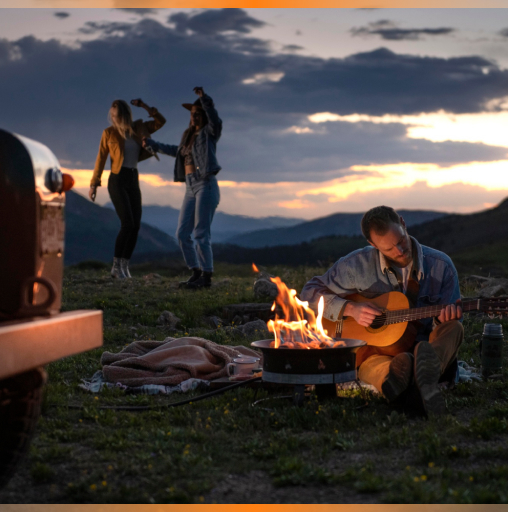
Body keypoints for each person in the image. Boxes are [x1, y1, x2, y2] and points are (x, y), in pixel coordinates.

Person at [300, 206, 463, 417]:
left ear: (403, 224)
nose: (399, 251)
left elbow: (446, 323)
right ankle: (406, 379)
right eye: (388, 249)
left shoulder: (442, 267)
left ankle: (421, 372)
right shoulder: (355, 266)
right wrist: (349, 308)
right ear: (373, 245)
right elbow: (308, 293)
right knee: (373, 366)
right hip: (375, 353)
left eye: (401, 241)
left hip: (426, 345)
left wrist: (442, 322)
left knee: (454, 327)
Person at [142, 87, 222, 289]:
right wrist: (154, 144)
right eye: (192, 114)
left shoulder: (209, 133)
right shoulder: (188, 135)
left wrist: (205, 99)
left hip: (206, 183)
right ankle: (196, 271)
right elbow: (176, 152)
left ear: (203, 114)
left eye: (197, 114)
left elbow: (216, 120)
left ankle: (207, 276)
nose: (194, 117)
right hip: (190, 186)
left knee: (201, 233)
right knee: (182, 233)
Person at [89, 98, 166, 279]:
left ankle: (125, 265)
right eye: (112, 116)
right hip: (117, 179)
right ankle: (116, 267)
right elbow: (100, 159)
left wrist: (146, 107)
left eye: (117, 115)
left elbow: (161, 122)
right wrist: (94, 184)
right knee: (127, 223)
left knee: (136, 225)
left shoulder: (139, 128)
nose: (114, 119)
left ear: (125, 115)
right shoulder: (108, 133)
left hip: (133, 177)